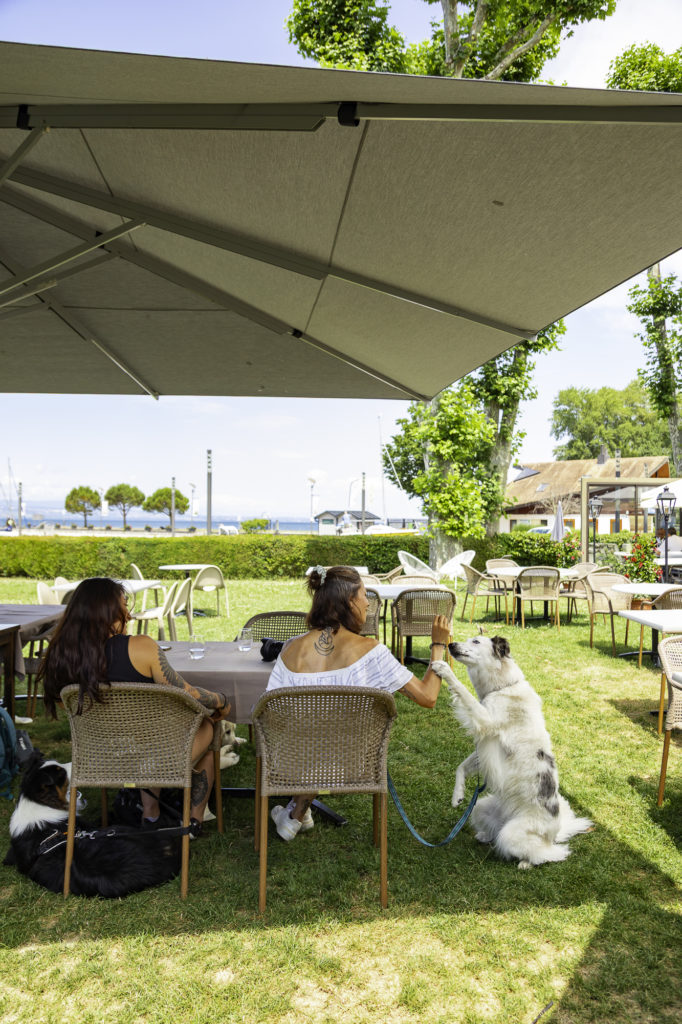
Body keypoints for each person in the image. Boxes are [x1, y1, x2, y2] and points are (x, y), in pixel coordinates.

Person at [265, 565, 452, 841]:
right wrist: (438, 645)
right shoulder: (371, 652)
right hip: (353, 765)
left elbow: (271, 713)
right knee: (330, 736)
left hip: (290, 763)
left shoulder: (290, 648)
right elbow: (428, 696)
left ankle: (296, 811)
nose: (367, 602)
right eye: (364, 594)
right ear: (349, 601)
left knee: (317, 735)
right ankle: (297, 812)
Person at [39, 577, 230, 830]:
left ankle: (150, 813)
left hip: (99, 758)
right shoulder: (140, 648)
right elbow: (188, 694)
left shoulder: (58, 655)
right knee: (206, 723)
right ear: (107, 611)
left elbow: (65, 705)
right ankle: (192, 821)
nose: (128, 614)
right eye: (122, 606)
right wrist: (221, 701)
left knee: (148, 738)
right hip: (152, 757)